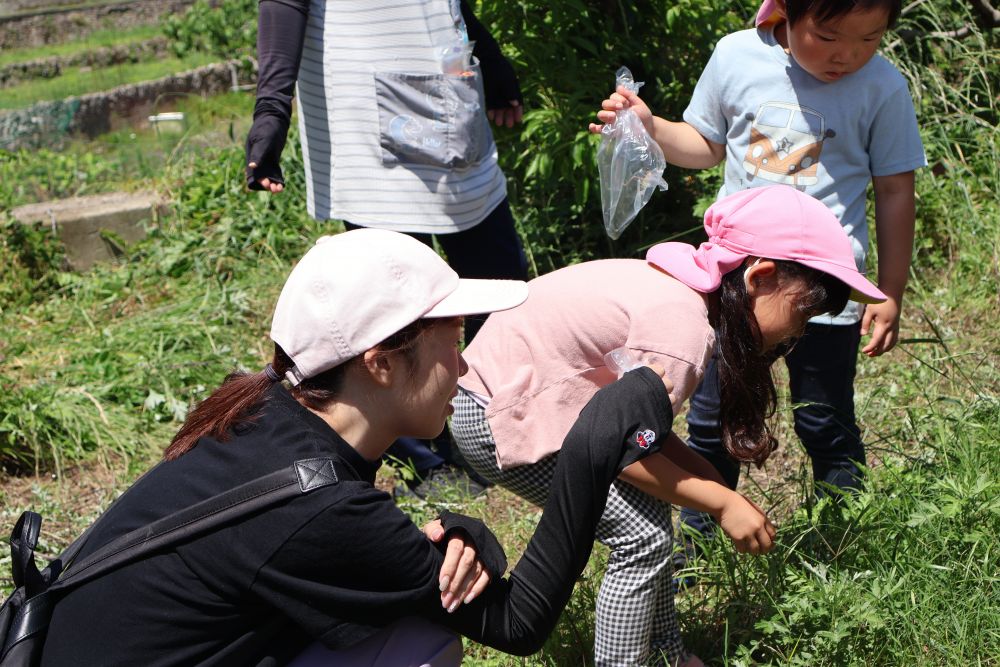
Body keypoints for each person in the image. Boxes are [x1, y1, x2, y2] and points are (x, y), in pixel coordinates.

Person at [40, 229, 675, 666]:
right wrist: (591, 447)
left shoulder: (268, 411)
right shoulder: (321, 509)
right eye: (451, 344)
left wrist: (469, 531)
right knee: (422, 644)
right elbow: (515, 624)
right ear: (379, 364)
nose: (462, 367)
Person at [450, 185, 889, 666]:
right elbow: (620, 450)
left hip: (506, 403)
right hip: (498, 418)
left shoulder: (679, 290)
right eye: (802, 313)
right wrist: (722, 502)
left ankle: (664, 652)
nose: (799, 333)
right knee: (641, 536)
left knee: (650, 513)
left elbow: (641, 435)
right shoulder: (681, 332)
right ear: (760, 277)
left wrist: (711, 481)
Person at [589, 0, 925, 545]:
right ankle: (701, 545)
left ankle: (846, 539)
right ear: (787, 11)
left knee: (823, 419)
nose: (849, 55)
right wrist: (651, 127)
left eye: (870, 39)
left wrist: (890, 291)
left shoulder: (881, 86)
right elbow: (704, 146)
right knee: (710, 422)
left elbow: (894, 190)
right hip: (738, 286)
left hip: (821, 291)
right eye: (831, 35)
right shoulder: (736, 56)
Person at [245, 0, 529, 497]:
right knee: (390, 320)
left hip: (453, 105)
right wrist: (271, 112)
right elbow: (284, 8)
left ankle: (502, 434)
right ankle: (425, 460)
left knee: (501, 286)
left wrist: (497, 70)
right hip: (368, 134)